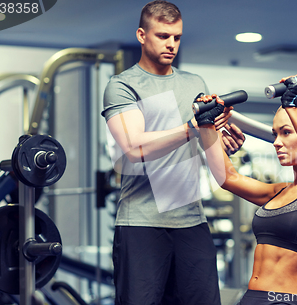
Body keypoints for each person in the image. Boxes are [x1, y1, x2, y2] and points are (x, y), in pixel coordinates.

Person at [100, 1, 245, 304]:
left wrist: (222, 140)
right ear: (142, 35)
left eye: (177, 37)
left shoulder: (194, 84)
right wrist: (190, 127)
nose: (171, 44)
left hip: (192, 222)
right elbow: (135, 147)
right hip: (141, 223)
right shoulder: (123, 85)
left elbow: (208, 145)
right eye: (163, 36)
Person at [196, 75, 297, 305]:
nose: (276, 142)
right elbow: (227, 178)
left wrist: (292, 106)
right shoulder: (279, 192)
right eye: (275, 134)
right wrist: (206, 124)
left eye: (286, 132)